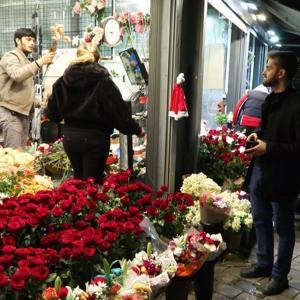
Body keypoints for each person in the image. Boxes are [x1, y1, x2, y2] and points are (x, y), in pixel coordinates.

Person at [240, 51, 300, 296]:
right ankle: (264, 264)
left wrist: (269, 147)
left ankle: (279, 276)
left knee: (284, 228)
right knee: (260, 220)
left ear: (281, 72)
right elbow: (268, 132)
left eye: (268, 67)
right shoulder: (269, 100)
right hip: (260, 171)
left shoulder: (297, 104)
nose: (264, 71)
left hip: (283, 176)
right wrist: (257, 138)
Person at [45, 43, 144, 183]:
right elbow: (118, 113)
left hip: (70, 137)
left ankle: (75, 204)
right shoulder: (103, 81)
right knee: (92, 185)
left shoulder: (62, 81)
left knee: (78, 182)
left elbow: (52, 113)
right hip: (95, 138)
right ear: (98, 58)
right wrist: (136, 129)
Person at [0, 28, 55, 148]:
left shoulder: (25, 60)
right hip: (11, 113)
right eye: (28, 39)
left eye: (33, 40)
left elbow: (23, 89)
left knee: (20, 154)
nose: (32, 43)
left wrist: (38, 102)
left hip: (22, 115)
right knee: (13, 155)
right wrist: (39, 62)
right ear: (18, 40)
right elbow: (17, 75)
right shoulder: (10, 56)